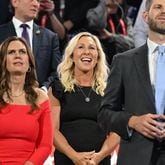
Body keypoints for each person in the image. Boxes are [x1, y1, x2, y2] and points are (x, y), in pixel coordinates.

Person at [98, 0, 165, 164]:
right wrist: (132, 121)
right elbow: (104, 114)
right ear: (145, 16)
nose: (164, 11)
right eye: (158, 7)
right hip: (135, 157)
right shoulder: (123, 61)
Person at [48, 32, 120, 165]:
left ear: (98, 56)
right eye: (80, 47)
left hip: (99, 161)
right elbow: (53, 130)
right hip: (67, 160)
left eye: (92, 48)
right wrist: (74, 156)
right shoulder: (58, 88)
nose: (87, 52)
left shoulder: (109, 91)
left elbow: (115, 132)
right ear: (72, 55)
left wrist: (98, 157)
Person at [0, 36, 53, 164]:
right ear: (3, 61)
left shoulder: (40, 98)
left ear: (29, 62)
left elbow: (45, 145)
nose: (17, 55)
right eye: (11, 52)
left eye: (22, 52)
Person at [0, 0, 61, 91]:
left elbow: (57, 72)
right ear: (15, 2)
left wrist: (44, 89)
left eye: (38, 1)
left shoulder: (50, 37)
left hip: (40, 99)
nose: (36, 4)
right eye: (31, 0)